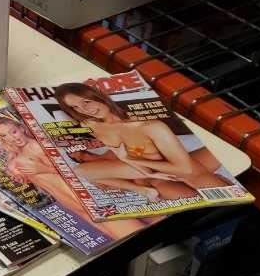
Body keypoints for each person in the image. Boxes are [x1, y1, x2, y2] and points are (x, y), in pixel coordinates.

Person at [54, 83, 229, 200]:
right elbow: (133, 151)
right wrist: (147, 173)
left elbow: (185, 169)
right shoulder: (90, 125)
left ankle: (222, 181)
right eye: (75, 107)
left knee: (224, 190)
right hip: (157, 176)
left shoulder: (149, 126)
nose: (85, 109)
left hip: (187, 172)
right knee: (79, 171)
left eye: (86, 101)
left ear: (98, 96)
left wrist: (132, 160)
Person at [0, 117, 144, 240]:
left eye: (13, 132)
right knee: (116, 239)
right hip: (70, 203)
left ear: (21, 128)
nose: (12, 138)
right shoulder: (15, 160)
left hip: (85, 195)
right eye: (4, 135)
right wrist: (21, 177)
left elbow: (75, 169)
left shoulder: (41, 145)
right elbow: (37, 182)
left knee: (131, 232)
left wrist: (43, 169)